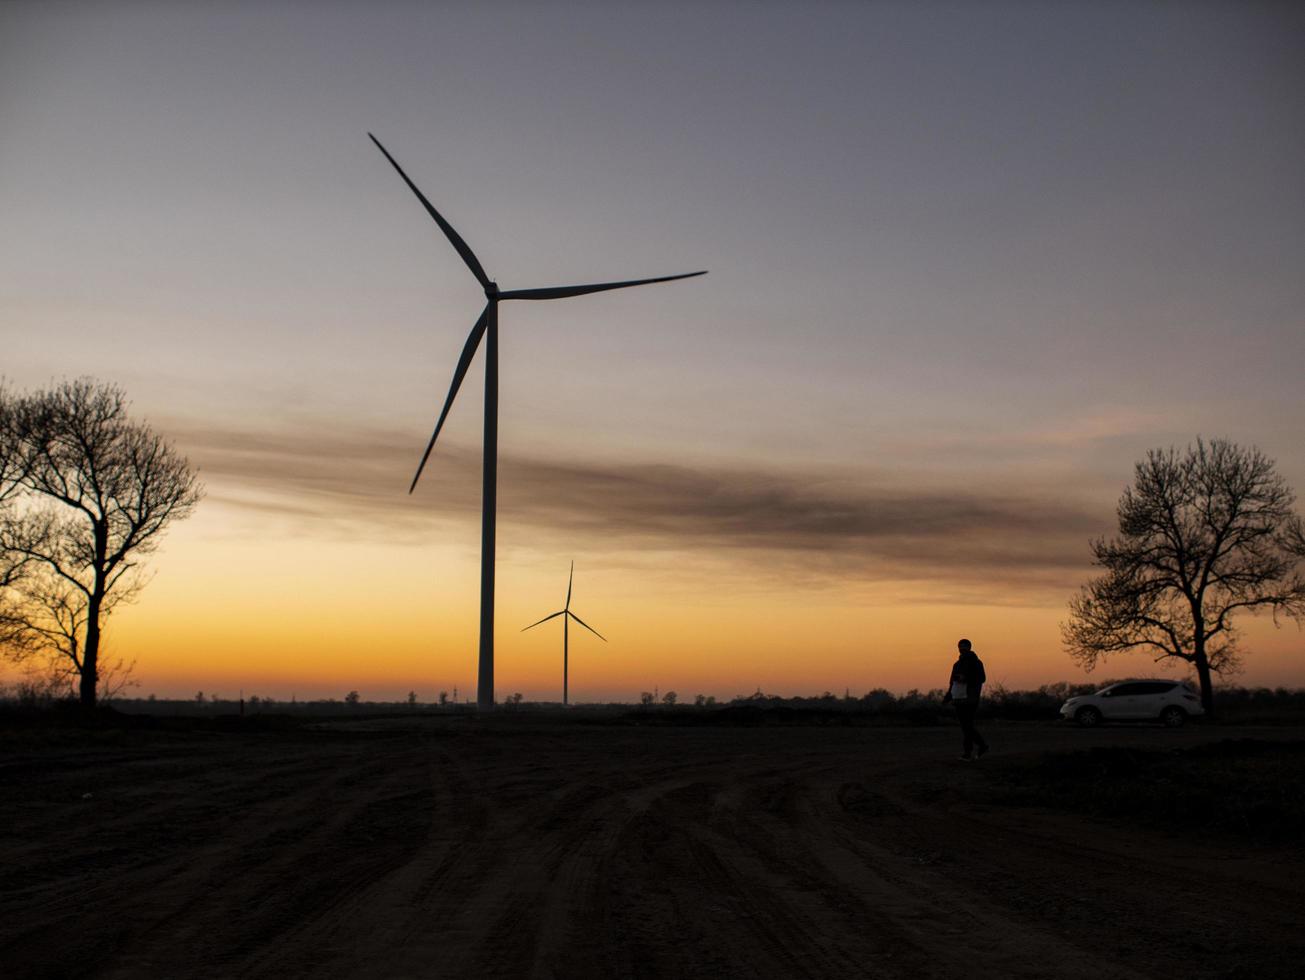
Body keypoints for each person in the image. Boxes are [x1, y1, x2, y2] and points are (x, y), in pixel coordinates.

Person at [942, 638, 988, 760]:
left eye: (964, 646)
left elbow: (982, 678)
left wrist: (966, 678)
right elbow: (952, 683)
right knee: (966, 726)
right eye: (960, 646)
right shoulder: (956, 665)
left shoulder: (977, 663)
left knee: (967, 726)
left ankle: (968, 752)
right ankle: (981, 746)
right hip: (958, 698)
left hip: (971, 699)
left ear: (969, 647)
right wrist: (948, 697)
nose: (962, 649)